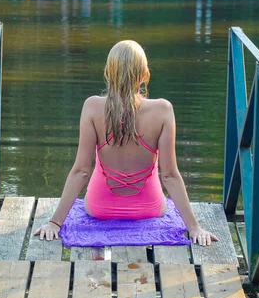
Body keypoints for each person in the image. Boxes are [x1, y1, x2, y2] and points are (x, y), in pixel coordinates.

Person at [34, 40, 219, 247]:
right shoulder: (163, 110)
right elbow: (169, 175)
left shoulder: (92, 107)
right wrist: (194, 228)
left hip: (99, 208)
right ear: (144, 74)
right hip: (150, 209)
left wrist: (55, 223)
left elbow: (81, 171)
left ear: (108, 72)